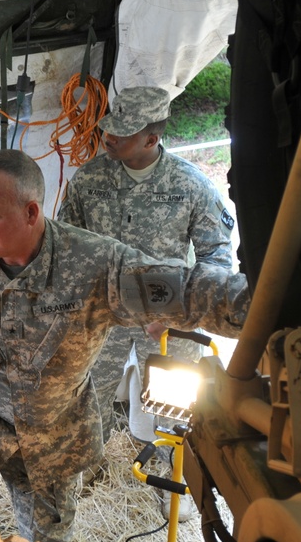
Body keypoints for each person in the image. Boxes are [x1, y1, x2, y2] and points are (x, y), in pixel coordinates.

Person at [0, 149, 248, 542]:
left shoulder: (95, 263)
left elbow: (186, 289)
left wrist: (262, 306)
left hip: (51, 427)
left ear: (32, 212)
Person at [57, 85, 234, 452]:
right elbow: (65, 249)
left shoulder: (190, 185)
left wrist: (179, 312)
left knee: (176, 406)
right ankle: (87, 473)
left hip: (168, 324)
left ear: (151, 138)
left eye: (121, 133)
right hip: (104, 319)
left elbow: (216, 257)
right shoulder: (89, 181)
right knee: (87, 399)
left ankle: (174, 483)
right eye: (109, 127)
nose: (108, 136)